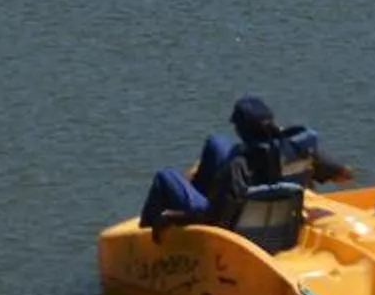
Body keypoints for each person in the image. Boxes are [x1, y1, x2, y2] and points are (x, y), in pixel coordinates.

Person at [141, 94, 353, 230]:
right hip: (281, 214)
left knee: (166, 177)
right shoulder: (298, 148)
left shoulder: (239, 166)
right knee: (216, 143)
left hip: (237, 224)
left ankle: (143, 237)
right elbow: (343, 174)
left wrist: (170, 217)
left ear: (242, 130)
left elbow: (214, 218)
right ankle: (196, 189)